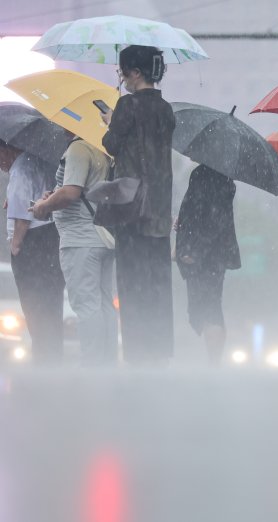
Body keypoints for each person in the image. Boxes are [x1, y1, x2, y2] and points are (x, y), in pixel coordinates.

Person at [101, 45, 175, 366]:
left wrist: (110, 120)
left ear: (135, 72)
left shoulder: (126, 105)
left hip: (131, 208)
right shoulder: (166, 108)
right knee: (158, 285)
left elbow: (112, 144)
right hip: (158, 209)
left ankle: (137, 355)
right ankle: (159, 355)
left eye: (123, 73)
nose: (123, 79)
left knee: (131, 286)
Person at [30, 137, 117, 365]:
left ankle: (93, 366)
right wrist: (54, 197)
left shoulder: (79, 148)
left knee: (86, 305)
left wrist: (43, 206)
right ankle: (106, 363)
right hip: (101, 236)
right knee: (104, 304)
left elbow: (71, 192)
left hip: (80, 238)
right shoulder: (103, 149)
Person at [0, 142, 64, 364]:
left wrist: (16, 246)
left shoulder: (20, 170)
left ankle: (44, 356)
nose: (1, 165)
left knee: (34, 305)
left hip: (32, 243)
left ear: (6, 150)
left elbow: (21, 217)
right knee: (51, 303)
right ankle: (52, 354)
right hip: (50, 237)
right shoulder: (38, 160)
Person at [175, 165, 240, 365]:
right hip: (215, 255)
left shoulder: (204, 175)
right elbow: (205, 216)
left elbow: (209, 220)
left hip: (205, 256)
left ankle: (214, 363)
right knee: (210, 306)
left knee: (208, 308)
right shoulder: (224, 178)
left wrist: (193, 250)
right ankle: (214, 362)